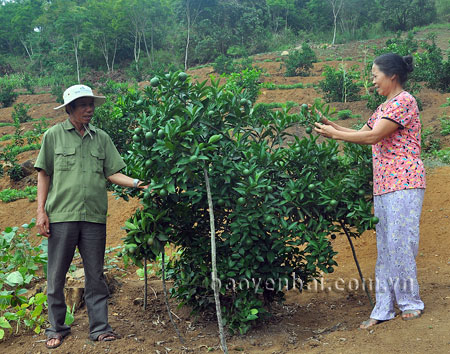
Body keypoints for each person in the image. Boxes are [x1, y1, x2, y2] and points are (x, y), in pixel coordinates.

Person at [314, 53, 426, 329]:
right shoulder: (383, 107)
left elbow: (374, 136)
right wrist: (333, 126)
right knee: (386, 248)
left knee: (401, 243)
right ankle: (384, 307)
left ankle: (410, 303)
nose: (372, 80)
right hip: (385, 185)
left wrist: (336, 135)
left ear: (392, 76)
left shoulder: (404, 101)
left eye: (375, 75)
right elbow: (362, 132)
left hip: (405, 181)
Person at [35, 84, 146, 349]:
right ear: (69, 108)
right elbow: (44, 173)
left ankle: (100, 328)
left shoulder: (102, 138)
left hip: (94, 216)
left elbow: (112, 173)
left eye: (91, 104)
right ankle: (56, 328)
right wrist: (41, 211)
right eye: (83, 105)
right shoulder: (53, 136)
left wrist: (138, 183)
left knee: (95, 275)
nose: (89, 109)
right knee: (56, 275)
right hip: (61, 214)